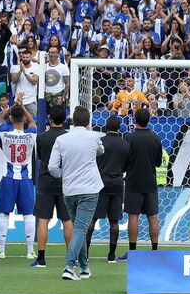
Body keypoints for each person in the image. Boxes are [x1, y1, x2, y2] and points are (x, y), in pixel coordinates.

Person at [49, 107, 104, 281]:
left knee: (78, 229)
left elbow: (52, 167)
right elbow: (101, 151)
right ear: (88, 122)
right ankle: (69, 266)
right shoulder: (94, 137)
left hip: (70, 189)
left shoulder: (61, 139)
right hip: (89, 189)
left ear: (72, 121)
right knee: (80, 229)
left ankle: (85, 267)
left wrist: (63, 176)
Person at [32, 104, 73, 269]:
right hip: (65, 181)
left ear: (50, 118)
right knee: (67, 219)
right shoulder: (69, 137)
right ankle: (71, 258)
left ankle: (41, 258)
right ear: (64, 119)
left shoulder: (41, 137)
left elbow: (40, 157)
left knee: (43, 219)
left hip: (46, 180)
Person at [119, 108, 164, 259]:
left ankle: (133, 251)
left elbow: (123, 161)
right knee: (153, 217)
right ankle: (155, 251)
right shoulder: (156, 138)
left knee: (133, 216)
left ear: (135, 120)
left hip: (133, 181)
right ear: (149, 120)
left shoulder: (128, 138)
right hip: (150, 182)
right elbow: (158, 162)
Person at [0, 102, 38, 261]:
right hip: (25, 180)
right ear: (24, 119)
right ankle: (29, 251)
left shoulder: (5, 133)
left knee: (4, 214)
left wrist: (14, 105)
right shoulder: (31, 134)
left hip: (8, 179)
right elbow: (32, 121)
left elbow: (0, 118)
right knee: (28, 215)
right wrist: (22, 106)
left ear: (11, 118)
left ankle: (1, 250)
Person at [87, 116, 129, 263]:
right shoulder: (125, 144)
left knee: (93, 218)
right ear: (119, 128)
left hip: (100, 182)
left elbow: (93, 161)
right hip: (117, 183)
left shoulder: (100, 142)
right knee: (114, 221)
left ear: (106, 126)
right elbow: (126, 166)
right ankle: (111, 255)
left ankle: (85, 253)